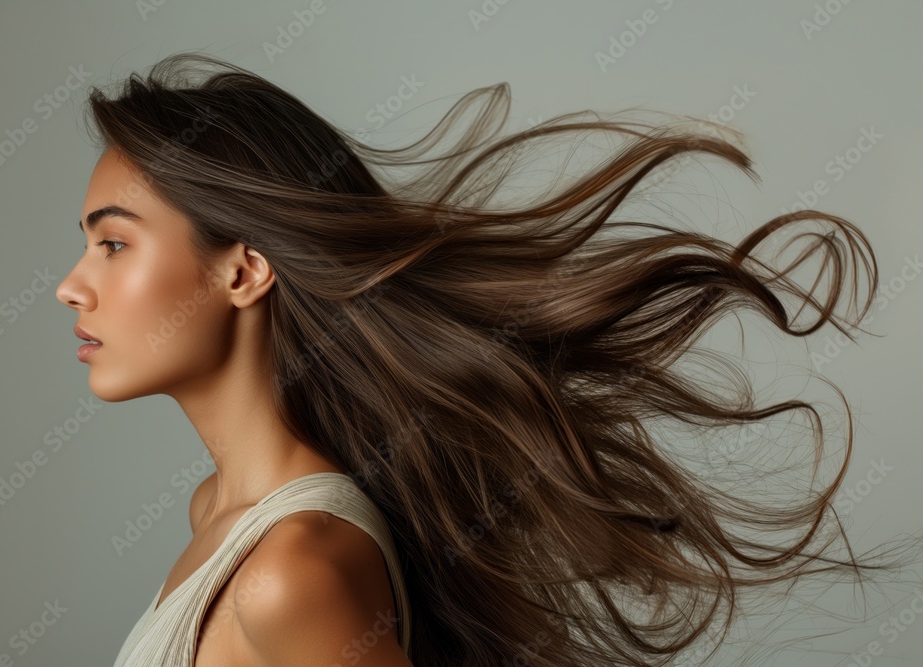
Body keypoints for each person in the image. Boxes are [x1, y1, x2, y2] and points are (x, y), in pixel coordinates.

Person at [56, 52, 916, 667]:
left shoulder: (289, 573)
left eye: (114, 246)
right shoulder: (223, 515)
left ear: (243, 270)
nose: (71, 286)